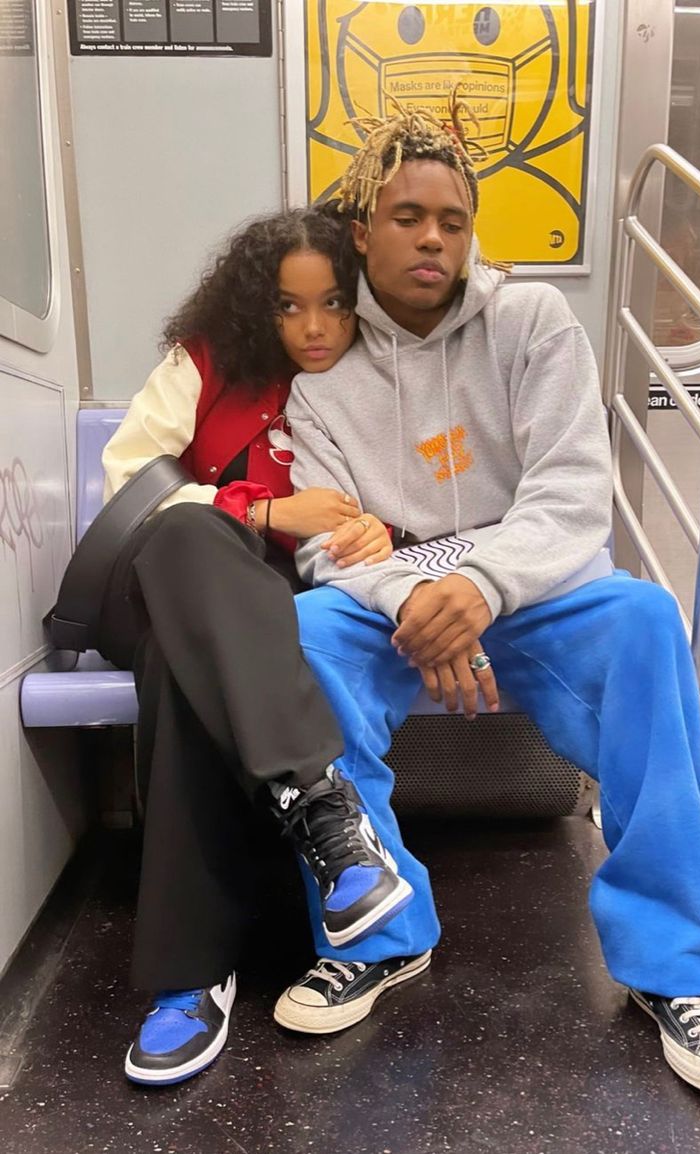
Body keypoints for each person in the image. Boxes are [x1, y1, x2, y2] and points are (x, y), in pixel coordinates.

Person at [279, 98, 700, 1098]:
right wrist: (423, 598)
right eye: (408, 216)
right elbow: (325, 539)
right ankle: (381, 927)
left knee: (647, 620)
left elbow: (573, 491)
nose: (433, 236)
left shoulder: (530, 321)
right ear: (363, 231)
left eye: (452, 218)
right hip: (400, 604)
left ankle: (680, 969)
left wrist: (480, 583)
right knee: (307, 631)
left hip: (532, 588)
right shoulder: (322, 384)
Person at [97, 204, 420, 1086]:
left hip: (271, 623)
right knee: (193, 541)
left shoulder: (380, 380)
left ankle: (188, 977)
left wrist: (383, 535)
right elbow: (132, 491)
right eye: (288, 307)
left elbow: (422, 498)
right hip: (168, 581)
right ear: (254, 305)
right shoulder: (204, 362)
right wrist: (265, 513)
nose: (313, 329)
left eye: (335, 306)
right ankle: (322, 807)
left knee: (181, 669)